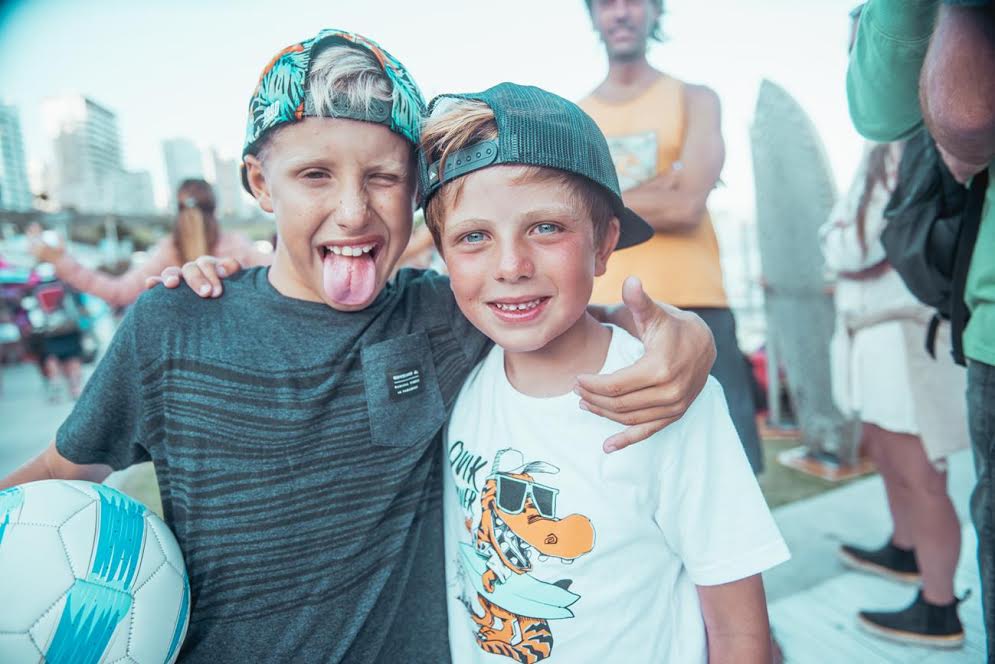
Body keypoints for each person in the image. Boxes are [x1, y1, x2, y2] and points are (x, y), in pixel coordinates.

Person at [0, 29, 717, 662]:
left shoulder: (440, 317)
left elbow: (558, 311)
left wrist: (685, 335)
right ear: (260, 183)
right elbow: (60, 473)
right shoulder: (173, 324)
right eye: (314, 175)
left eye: (383, 177)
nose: (352, 211)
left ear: (416, 192)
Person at [416, 83, 788, 663]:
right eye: (474, 237)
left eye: (546, 227)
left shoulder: (669, 398)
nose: (511, 266)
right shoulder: (455, 372)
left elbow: (740, 629)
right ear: (442, 253)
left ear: (604, 243)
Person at [847, 1, 994, 657]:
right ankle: (911, 559)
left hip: (912, 321)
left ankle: (938, 605)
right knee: (895, 458)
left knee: (922, 469)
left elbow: (962, 118)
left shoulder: (906, 126)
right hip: (891, 322)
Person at [578, 0, 763, 472]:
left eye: (634, 1)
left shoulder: (696, 98)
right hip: (603, 312)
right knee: (623, 470)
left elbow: (685, 207)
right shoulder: (574, 118)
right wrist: (668, 179)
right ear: (593, 15)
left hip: (698, 307)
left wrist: (598, 196)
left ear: (656, 12)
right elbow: (564, 210)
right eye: (606, 3)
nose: (621, 13)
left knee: (727, 469)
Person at [822, 139, 969, 646]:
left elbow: (852, 246)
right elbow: (846, 240)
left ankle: (939, 607)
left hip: (906, 330)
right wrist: (848, 243)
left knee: (922, 472)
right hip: (868, 329)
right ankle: (905, 549)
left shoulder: (922, 142)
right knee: (885, 453)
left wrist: (846, 243)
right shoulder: (881, 146)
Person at [28, 178, 270, 308]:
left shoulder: (168, 252)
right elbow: (281, 270)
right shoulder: (238, 247)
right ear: (214, 210)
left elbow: (117, 292)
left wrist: (60, 260)